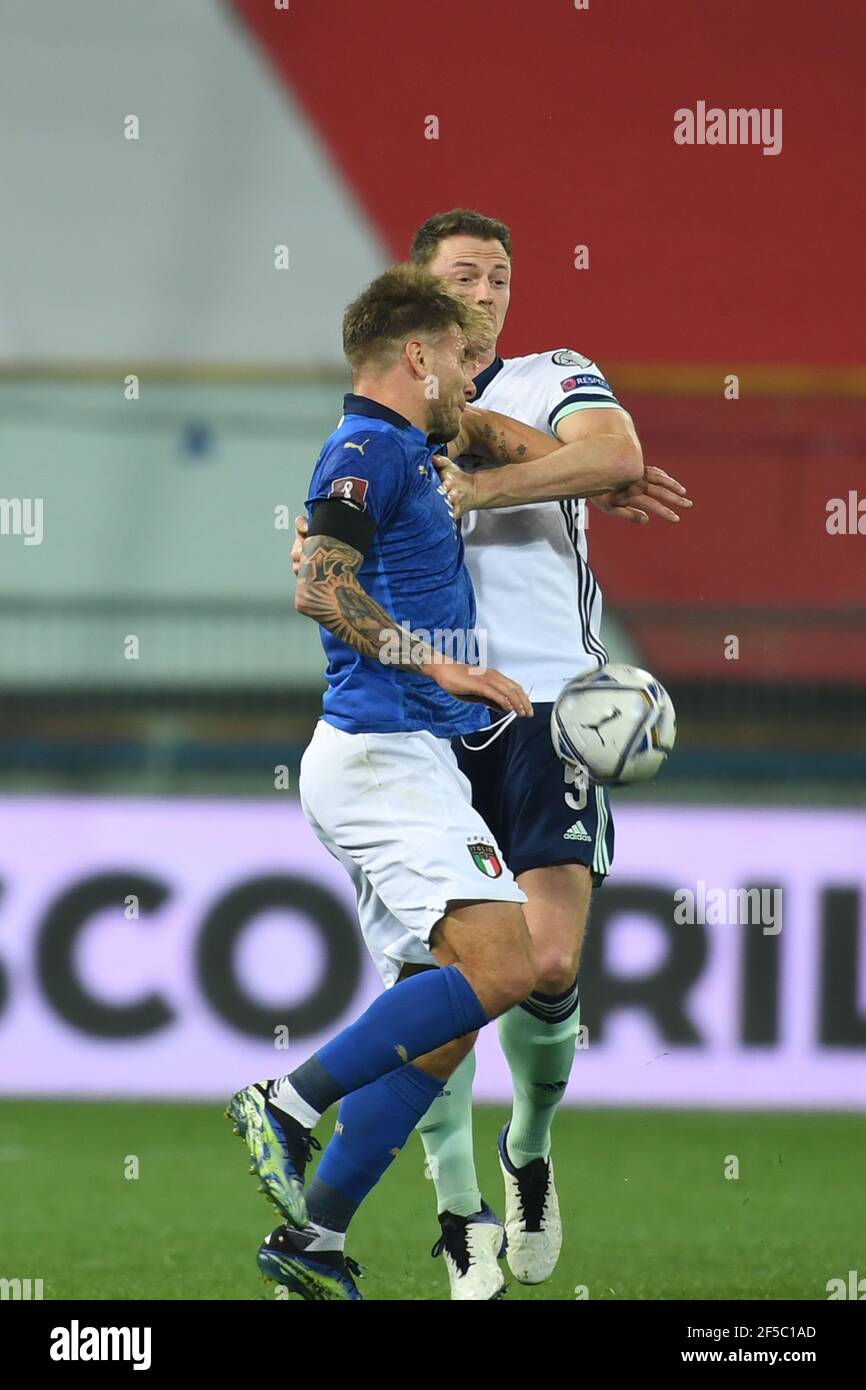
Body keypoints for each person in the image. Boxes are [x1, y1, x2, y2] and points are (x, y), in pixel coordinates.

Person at [290, 213, 691, 1299]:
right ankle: (457, 1208)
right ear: (419, 300)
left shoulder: (542, 379)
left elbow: (614, 453)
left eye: (501, 274)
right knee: (452, 988)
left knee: (547, 964)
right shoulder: (408, 420)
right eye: (463, 273)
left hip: (547, 704)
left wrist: (500, 484)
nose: (487, 288)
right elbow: (326, 555)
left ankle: (530, 1147)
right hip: (430, 719)